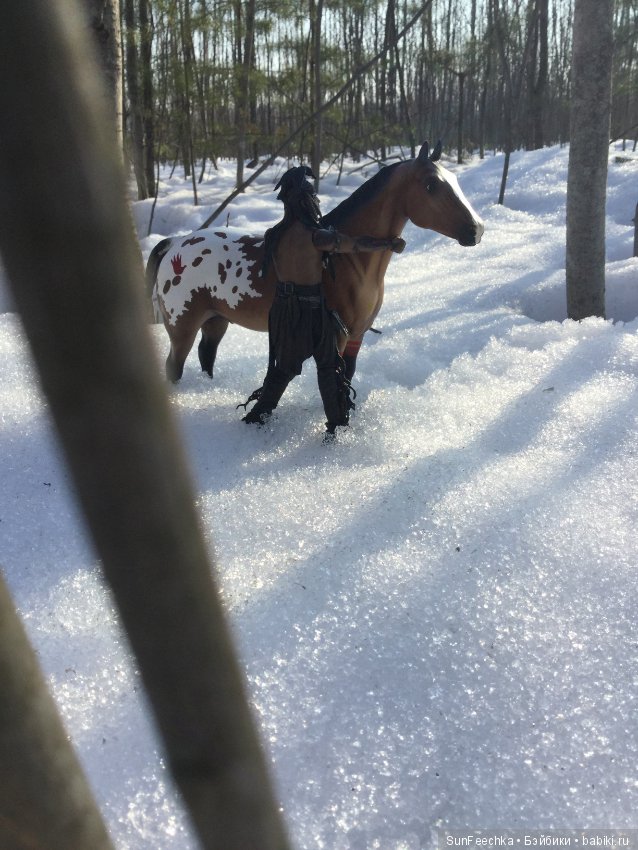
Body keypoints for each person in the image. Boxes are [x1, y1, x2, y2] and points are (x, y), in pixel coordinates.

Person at [239, 165, 405, 438]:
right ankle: (337, 425)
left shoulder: (274, 235)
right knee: (329, 368)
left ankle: (259, 415)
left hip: (283, 310)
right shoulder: (317, 236)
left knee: (283, 368)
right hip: (313, 312)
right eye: (311, 196)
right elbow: (354, 245)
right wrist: (386, 244)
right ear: (306, 201)